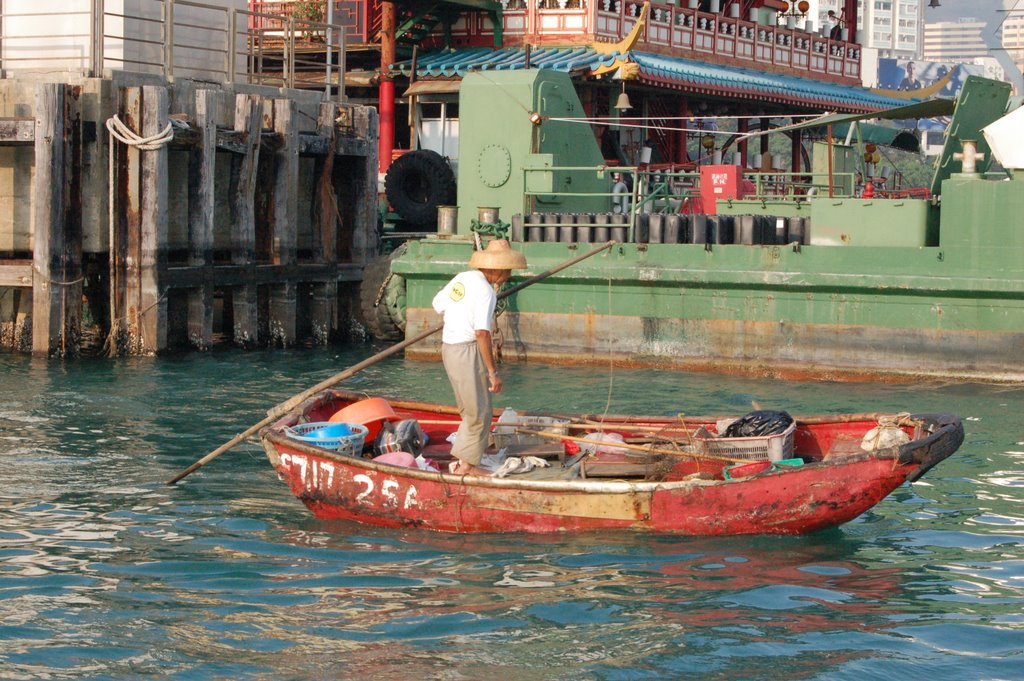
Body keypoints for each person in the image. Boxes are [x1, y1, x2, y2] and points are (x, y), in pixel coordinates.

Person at [432, 239, 527, 476]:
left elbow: (438, 305)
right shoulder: (486, 291)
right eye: (507, 271)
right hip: (466, 351)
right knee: (480, 412)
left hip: (449, 349)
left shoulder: (462, 279)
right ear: (496, 269)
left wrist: (460, 311)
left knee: (469, 408)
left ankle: (466, 455)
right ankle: (467, 467)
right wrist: (493, 372)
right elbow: (482, 333)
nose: (508, 276)